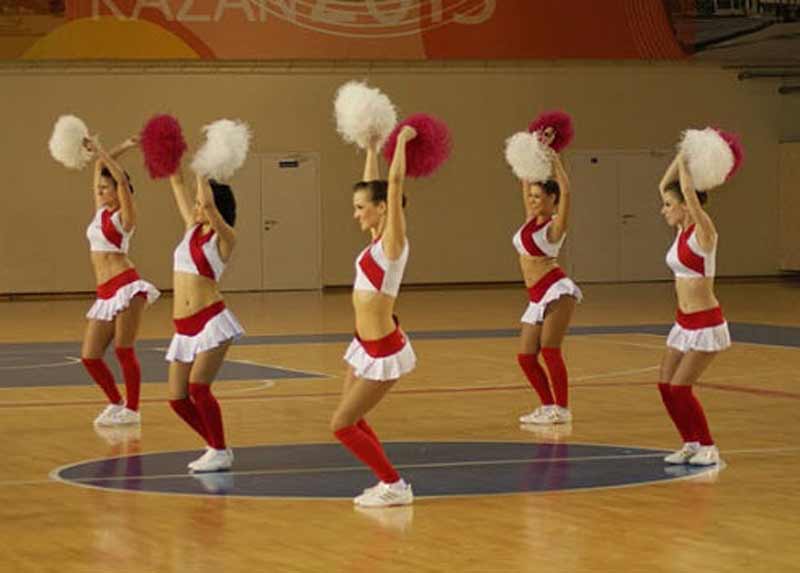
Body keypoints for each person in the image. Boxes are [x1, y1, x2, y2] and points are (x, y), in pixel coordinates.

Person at [330, 127, 418, 508]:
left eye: (360, 207)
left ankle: (395, 484)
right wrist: (370, 148)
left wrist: (401, 142)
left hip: (383, 350)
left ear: (383, 208)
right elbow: (377, 184)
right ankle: (387, 482)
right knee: (352, 418)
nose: (355, 213)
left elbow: (392, 185)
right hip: (363, 345)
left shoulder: (393, 244)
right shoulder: (375, 240)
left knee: (341, 424)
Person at [166, 167, 243, 473]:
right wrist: (168, 156)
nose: (197, 208)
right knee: (177, 399)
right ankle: (216, 445)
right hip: (183, 328)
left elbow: (209, 206)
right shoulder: (191, 229)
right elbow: (176, 183)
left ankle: (219, 450)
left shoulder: (225, 237)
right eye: (195, 204)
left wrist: (202, 170)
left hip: (211, 320)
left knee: (199, 388)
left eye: (200, 203)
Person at [657, 151, 730, 466]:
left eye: (669, 205)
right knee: (665, 385)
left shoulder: (705, 233)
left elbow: (686, 191)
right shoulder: (680, 232)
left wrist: (687, 165)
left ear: (687, 206)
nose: (663, 209)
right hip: (683, 322)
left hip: (705, 323)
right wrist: (681, 153)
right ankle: (690, 443)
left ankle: (709, 447)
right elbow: (664, 185)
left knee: (680, 387)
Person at [81, 136, 159, 427]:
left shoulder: (125, 217)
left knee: (123, 349)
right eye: (99, 188)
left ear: (118, 191)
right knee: (90, 357)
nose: (100, 191)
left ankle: (133, 410)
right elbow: (99, 166)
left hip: (126, 286)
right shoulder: (100, 211)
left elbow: (122, 180)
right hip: (104, 292)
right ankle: (116, 402)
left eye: (106, 188)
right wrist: (124, 145)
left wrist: (102, 151)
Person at [515, 135, 582, 426]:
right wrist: (534, 148)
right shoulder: (530, 220)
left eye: (538, 196)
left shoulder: (555, 226)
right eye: (531, 196)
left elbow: (566, 191)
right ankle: (547, 406)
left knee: (551, 350)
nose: (532, 200)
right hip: (536, 296)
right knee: (526, 357)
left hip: (556, 291)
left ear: (552, 200)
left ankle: (562, 409)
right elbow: (524, 179)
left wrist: (555, 158)